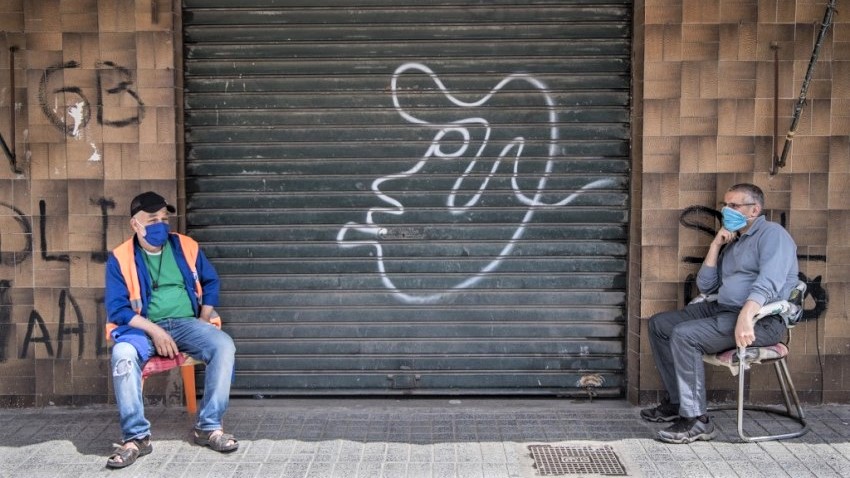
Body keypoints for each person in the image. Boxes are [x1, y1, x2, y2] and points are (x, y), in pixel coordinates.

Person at [641, 183, 798, 444]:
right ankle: (679, 402)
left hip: (761, 321)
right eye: (725, 205)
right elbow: (707, 285)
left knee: (685, 335)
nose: (727, 210)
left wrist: (747, 315)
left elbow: (771, 282)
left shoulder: (772, 235)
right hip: (723, 310)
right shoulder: (735, 241)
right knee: (660, 324)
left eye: (734, 206)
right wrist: (716, 245)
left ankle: (697, 421)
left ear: (754, 210)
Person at [104, 191, 238, 468]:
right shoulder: (120, 258)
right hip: (142, 330)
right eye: (152, 219)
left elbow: (211, 281)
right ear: (135, 225)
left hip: (187, 323)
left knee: (223, 345)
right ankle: (136, 437)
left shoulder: (186, 246)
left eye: (165, 218)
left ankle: (208, 426)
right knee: (122, 356)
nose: (161, 225)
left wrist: (203, 320)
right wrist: (156, 331)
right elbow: (118, 309)